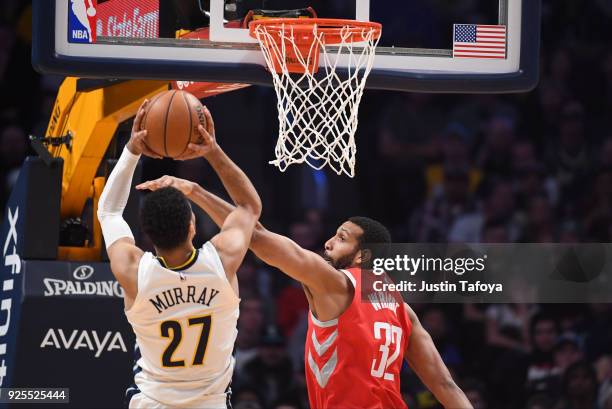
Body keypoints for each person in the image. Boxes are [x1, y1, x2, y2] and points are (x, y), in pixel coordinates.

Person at [138, 175, 472, 406]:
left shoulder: (336, 283)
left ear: (362, 255)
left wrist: (196, 191)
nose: (328, 241)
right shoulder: (402, 308)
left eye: (341, 238)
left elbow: (255, 237)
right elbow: (445, 386)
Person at [97, 100, 262, 408]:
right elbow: (248, 207)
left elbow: (108, 211)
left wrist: (132, 149)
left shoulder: (134, 271)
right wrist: (211, 150)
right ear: (192, 225)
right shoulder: (222, 261)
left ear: (145, 235)